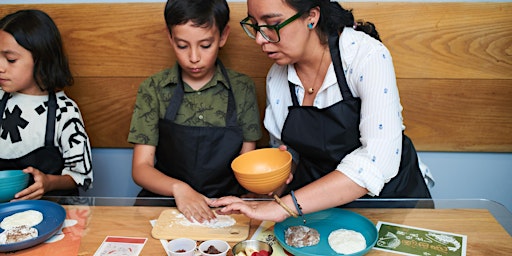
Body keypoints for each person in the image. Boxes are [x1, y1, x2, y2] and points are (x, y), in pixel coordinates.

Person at [210, 0, 434, 222]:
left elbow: (378, 161)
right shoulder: (277, 78)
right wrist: (270, 189)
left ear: (312, 17)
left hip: (394, 204)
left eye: (273, 24)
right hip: (323, 212)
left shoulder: (366, 56)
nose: (260, 38)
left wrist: (284, 207)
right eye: (255, 25)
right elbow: (289, 157)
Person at [127, 0, 262, 222]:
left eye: (205, 45)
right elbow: (141, 168)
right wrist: (179, 189)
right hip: (166, 200)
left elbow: (246, 160)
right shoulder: (153, 88)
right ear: (170, 37)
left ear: (223, 36)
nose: (194, 57)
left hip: (223, 204)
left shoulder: (242, 88)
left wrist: (262, 185)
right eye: (182, 45)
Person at [0, 9, 93, 200]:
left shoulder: (64, 111)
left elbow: (81, 177)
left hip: (50, 209)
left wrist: (48, 182)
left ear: (41, 59)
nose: (1, 67)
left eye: (10, 60)